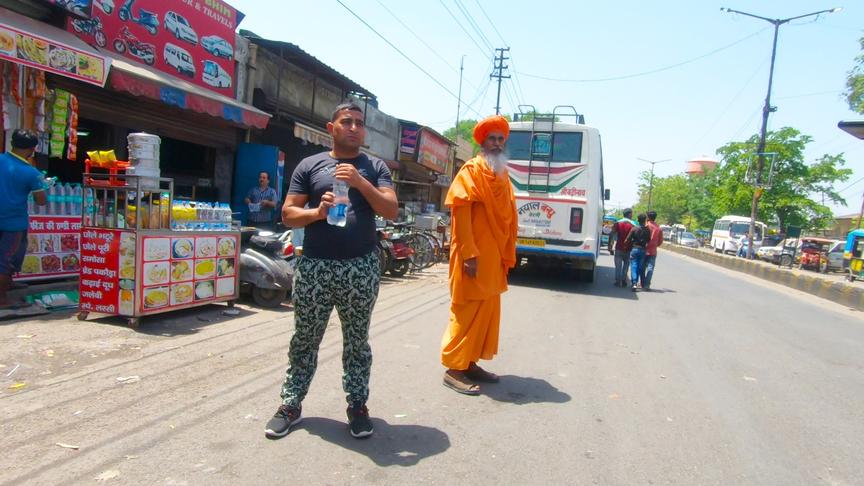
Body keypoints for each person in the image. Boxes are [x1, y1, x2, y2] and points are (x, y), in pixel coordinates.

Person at [265, 102, 398, 439]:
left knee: (357, 342)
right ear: (331, 127)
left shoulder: (375, 166)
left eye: (359, 123)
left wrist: (359, 182)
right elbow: (288, 214)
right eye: (347, 122)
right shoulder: (310, 165)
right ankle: (291, 404)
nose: (354, 127)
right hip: (315, 266)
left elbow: (391, 210)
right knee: (305, 339)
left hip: (360, 266)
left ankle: (357, 407)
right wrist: (317, 213)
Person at [440, 115, 518, 395]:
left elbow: (508, 216)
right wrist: (469, 254)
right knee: (466, 310)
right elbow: (460, 215)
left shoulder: (503, 175)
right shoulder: (470, 171)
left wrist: (508, 250)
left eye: (500, 139)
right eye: (492, 139)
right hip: (472, 257)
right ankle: (454, 368)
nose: (497, 144)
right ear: (483, 143)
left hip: (494, 258)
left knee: (486, 312)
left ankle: (469, 362)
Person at [0, 129, 46, 309]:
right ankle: (2, 299)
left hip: (10, 220)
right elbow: (41, 201)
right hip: (13, 222)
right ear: (32, 149)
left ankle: (7, 284)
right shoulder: (31, 173)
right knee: (5, 260)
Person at [608, 208, 635, 287]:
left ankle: (617, 281)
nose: (632, 215)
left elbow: (612, 234)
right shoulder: (633, 224)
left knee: (618, 266)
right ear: (629, 214)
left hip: (619, 248)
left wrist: (610, 246)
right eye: (631, 214)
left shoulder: (617, 223)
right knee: (626, 266)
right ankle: (623, 280)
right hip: (628, 248)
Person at [626, 213, 651, 292]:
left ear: (638, 220)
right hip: (643, 250)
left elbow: (627, 239)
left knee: (634, 266)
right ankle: (639, 283)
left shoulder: (634, 228)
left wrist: (630, 243)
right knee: (640, 267)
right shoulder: (647, 230)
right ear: (645, 220)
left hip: (634, 249)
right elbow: (648, 240)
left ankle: (634, 283)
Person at [641, 210, 663, 290]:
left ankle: (643, 283)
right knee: (650, 268)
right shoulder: (658, 228)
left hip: (643, 250)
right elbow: (660, 241)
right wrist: (654, 245)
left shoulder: (645, 226)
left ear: (648, 217)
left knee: (642, 267)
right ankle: (647, 284)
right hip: (653, 251)